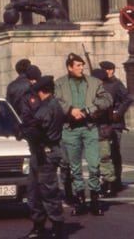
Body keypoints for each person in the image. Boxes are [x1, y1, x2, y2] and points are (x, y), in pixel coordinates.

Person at [54, 52, 113, 216]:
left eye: (82, 65)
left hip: (89, 127)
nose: (81, 68)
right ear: (69, 67)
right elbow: (55, 101)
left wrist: (90, 109)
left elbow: (107, 99)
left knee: (94, 165)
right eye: (78, 65)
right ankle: (80, 200)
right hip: (70, 129)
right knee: (75, 168)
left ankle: (94, 200)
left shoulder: (93, 82)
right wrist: (70, 110)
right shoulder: (59, 83)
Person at [19, 75, 65, 239]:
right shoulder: (49, 105)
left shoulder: (48, 107)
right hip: (39, 153)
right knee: (34, 191)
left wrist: (23, 130)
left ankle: (57, 227)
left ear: (41, 91)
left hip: (45, 152)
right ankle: (39, 226)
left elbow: (37, 129)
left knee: (48, 192)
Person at [99, 60, 133, 191]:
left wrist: (118, 112)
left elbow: (128, 98)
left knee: (113, 152)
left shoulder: (116, 84)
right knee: (104, 154)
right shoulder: (101, 83)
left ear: (111, 70)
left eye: (105, 69)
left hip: (115, 124)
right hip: (104, 124)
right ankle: (108, 180)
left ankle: (116, 181)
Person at [91, 68, 117, 197]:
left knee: (104, 158)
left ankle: (109, 185)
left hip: (102, 130)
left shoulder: (105, 93)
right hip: (97, 130)